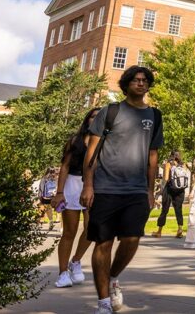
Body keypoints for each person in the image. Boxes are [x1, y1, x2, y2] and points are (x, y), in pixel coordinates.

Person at [81, 65, 163, 314]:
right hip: (105, 188)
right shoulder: (111, 111)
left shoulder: (154, 116)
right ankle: (103, 302)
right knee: (103, 243)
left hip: (137, 190)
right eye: (136, 80)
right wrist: (88, 184)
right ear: (127, 84)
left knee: (131, 239)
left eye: (145, 80)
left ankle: (113, 276)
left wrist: (150, 191)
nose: (141, 83)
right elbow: (92, 152)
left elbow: (153, 156)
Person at [51, 107, 100, 289]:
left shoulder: (106, 142)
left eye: (99, 118)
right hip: (72, 184)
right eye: (93, 117)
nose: (95, 120)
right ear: (87, 120)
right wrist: (59, 192)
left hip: (94, 186)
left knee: (91, 229)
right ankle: (63, 272)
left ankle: (76, 261)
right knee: (69, 232)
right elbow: (64, 166)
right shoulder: (75, 140)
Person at [153, 151, 186, 238]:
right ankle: (180, 229)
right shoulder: (183, 165)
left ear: (171, 155)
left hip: (169, 189)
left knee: (164, 210)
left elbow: (166, 178)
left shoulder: (168, 164)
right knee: (179, 210)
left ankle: (159, 232)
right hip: (180, 190)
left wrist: (161, 189)